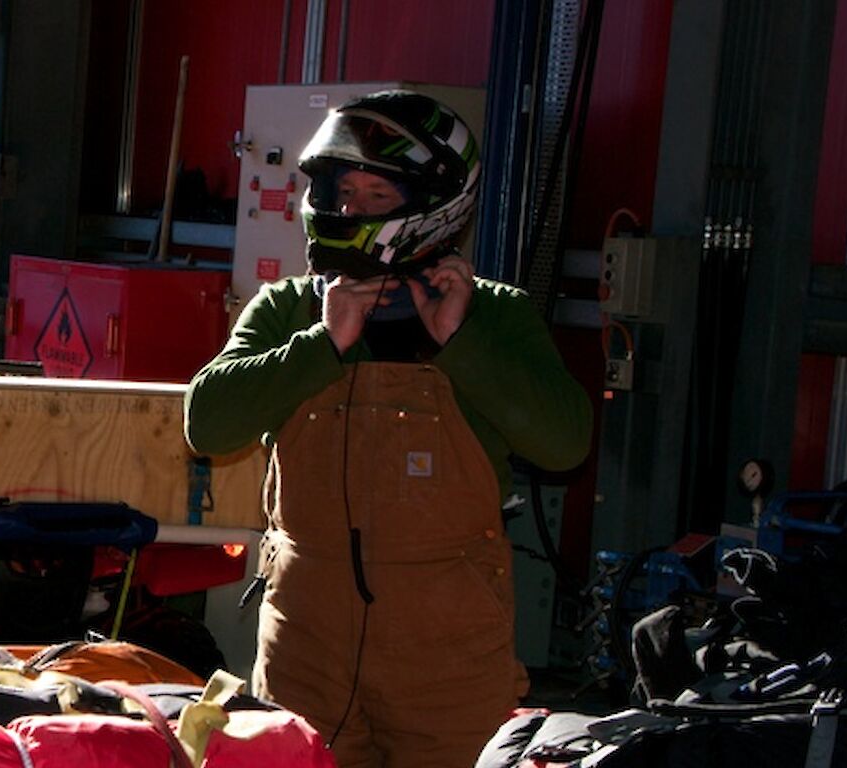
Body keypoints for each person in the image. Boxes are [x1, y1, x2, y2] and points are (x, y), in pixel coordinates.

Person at [183, 90, 591, 768]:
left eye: (376, 195)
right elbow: (208, 423)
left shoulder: (494, 315)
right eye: (343, 191)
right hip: (305, 654)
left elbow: (565, 443)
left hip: (449, 663)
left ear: (437, 205)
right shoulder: (287, 309)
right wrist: (322, 343)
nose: (350, 210)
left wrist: (460, 342)